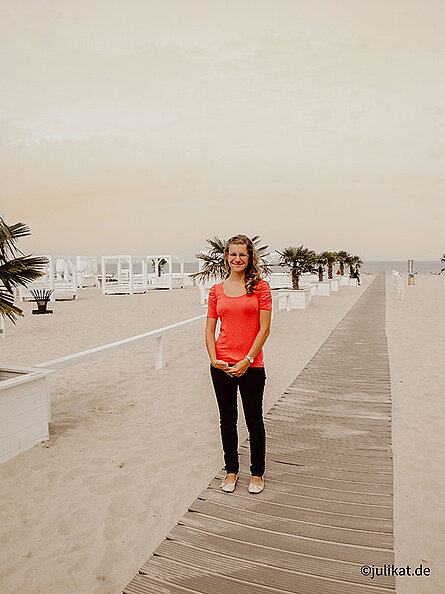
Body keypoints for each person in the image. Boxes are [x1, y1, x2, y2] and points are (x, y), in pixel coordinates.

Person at [206, 234, 272, 494]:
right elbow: (210, 328)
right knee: (227, 420)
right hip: (221, 366)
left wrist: (247, 359)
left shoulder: (260, 287)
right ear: (226, 257)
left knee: (254, 421)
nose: (237, 259)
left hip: (251, 366)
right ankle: (231, 470)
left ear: (249, 257)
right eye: (233, 254)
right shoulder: (216, 290)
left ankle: (257, 473)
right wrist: (213, 359)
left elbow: (264, 329)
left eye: (242, 254)